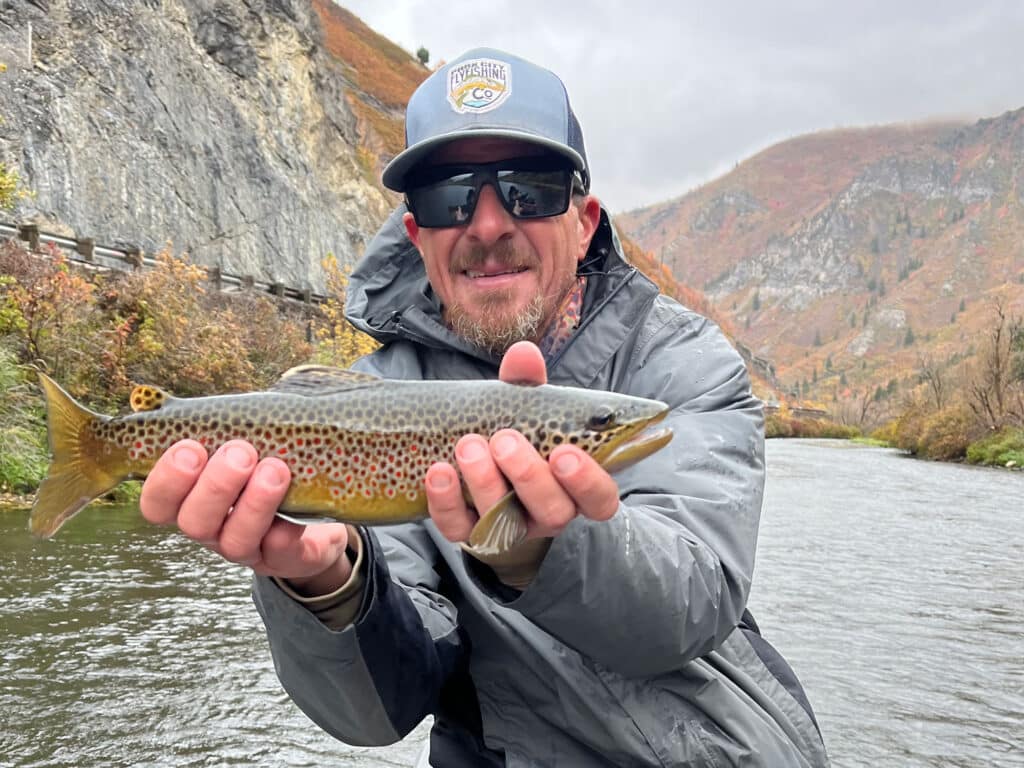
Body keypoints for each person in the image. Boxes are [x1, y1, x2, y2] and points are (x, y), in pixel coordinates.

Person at [139, 48, 830, 767]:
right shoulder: (371, 399)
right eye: (449, 194)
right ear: (417, 233)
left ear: (585, 220)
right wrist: (327, 585)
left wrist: (541, 548)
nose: (489, 223)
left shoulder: (683, 364)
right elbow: (380, 710)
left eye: (530, 189)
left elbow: (690, 605)